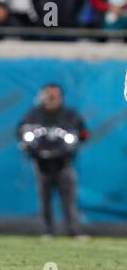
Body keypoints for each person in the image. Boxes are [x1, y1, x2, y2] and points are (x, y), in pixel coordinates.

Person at [17, 84, 89, 237]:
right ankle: (47, 231)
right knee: (44, 200)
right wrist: (28, 144)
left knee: (69, 200)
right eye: (48, 94)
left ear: (61, 97)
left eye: (54, 94)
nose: (51, 97)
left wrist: (76, 143)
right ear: (42, 96)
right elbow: (20, 131)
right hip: (41, 164)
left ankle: (73, 231)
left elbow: (84, 133)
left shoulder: (71, 115)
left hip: (64, 163)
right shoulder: (33, 115)